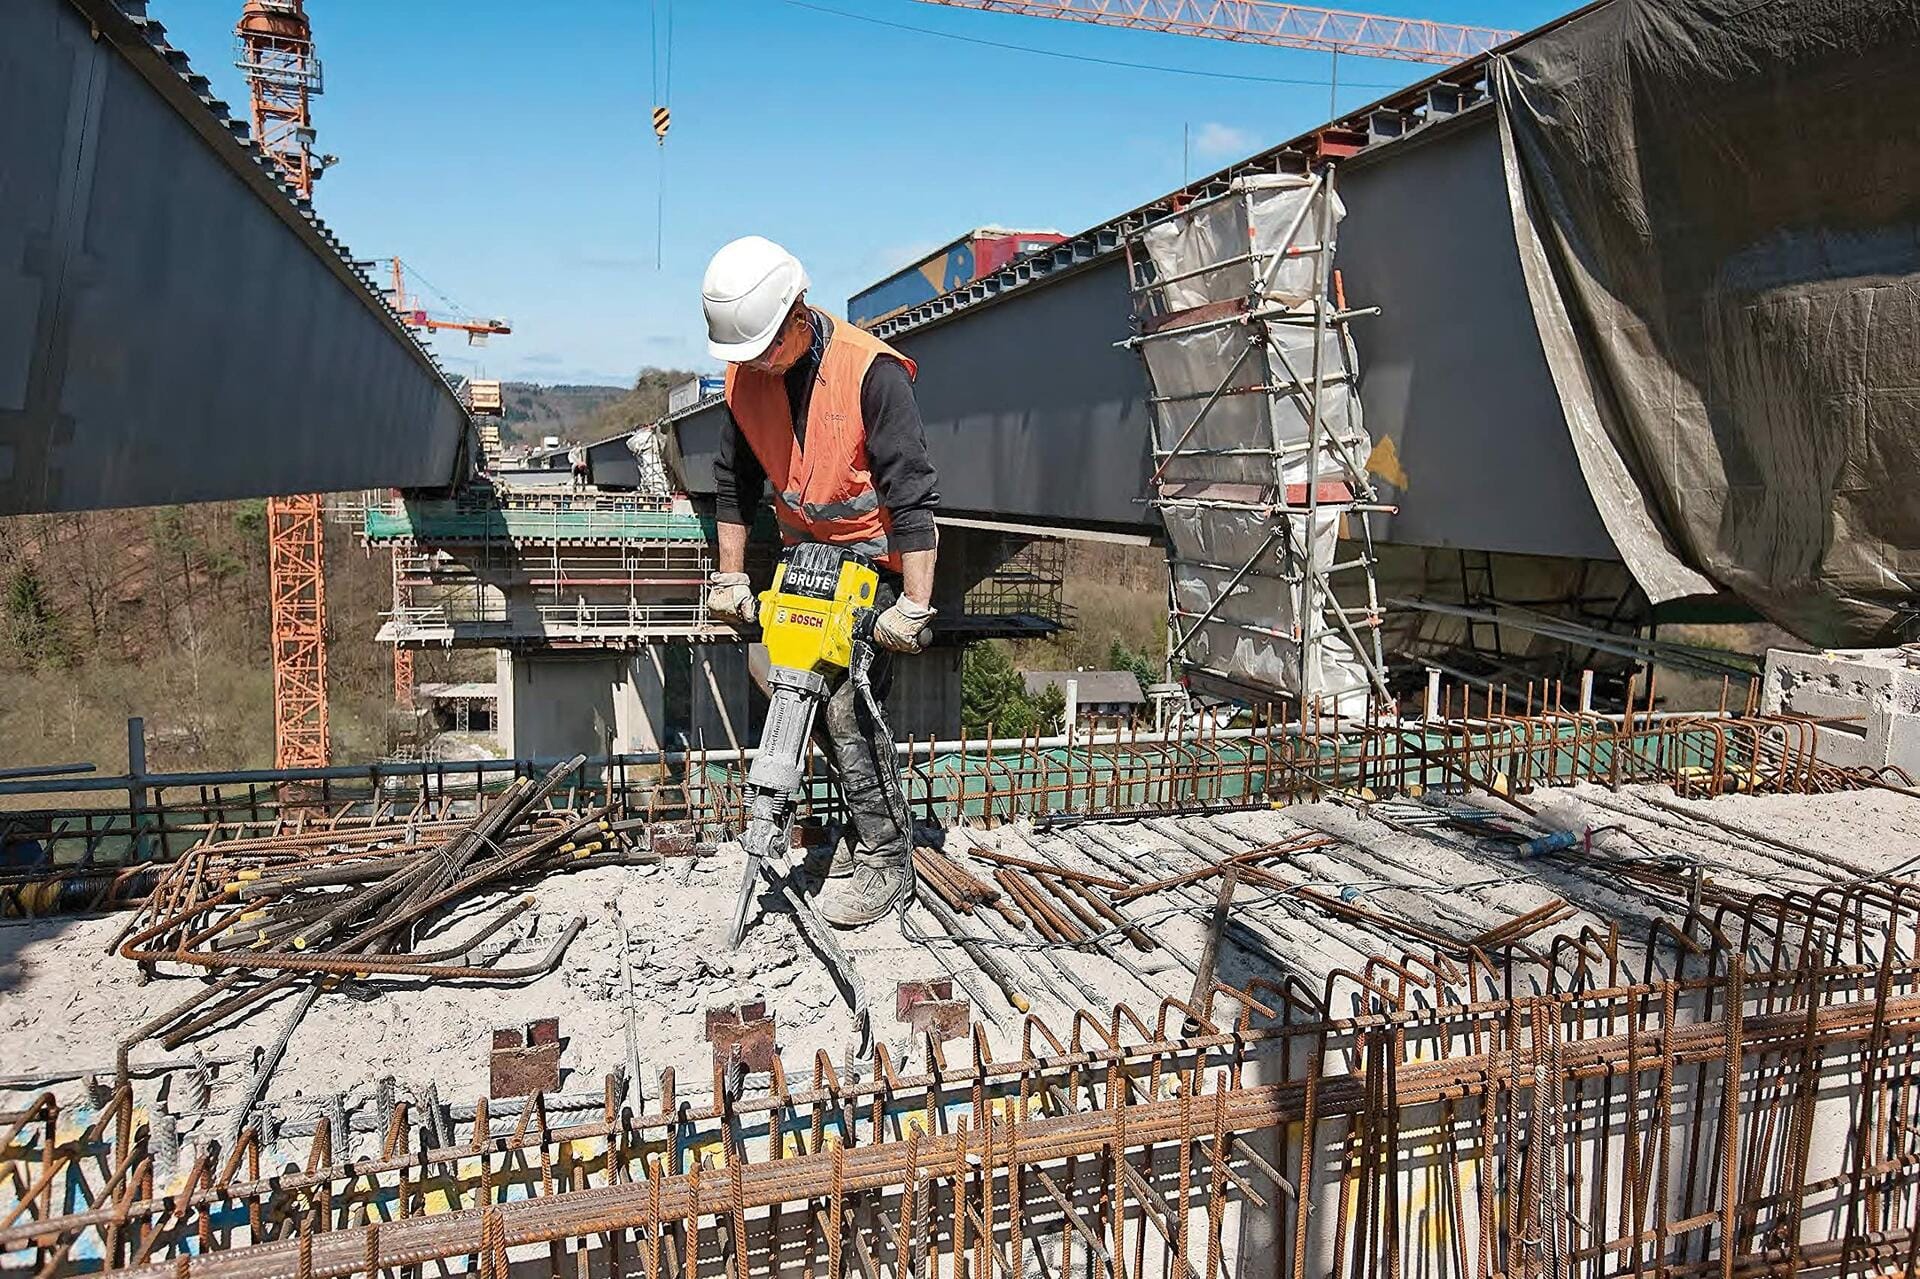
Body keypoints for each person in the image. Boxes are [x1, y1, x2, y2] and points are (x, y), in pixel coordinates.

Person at [701, 235, 940, 927]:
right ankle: (864, 832)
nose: (752, 365)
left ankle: (887, 858)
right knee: (786, 685)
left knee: (844, 707)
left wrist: (916, 607)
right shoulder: (747, 377)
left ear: (797, 314)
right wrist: (728, 578)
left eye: (762, 349)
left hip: (876, 563)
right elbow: (734, 483)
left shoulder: (872, 373)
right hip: (806, 561)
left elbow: (913, 493)